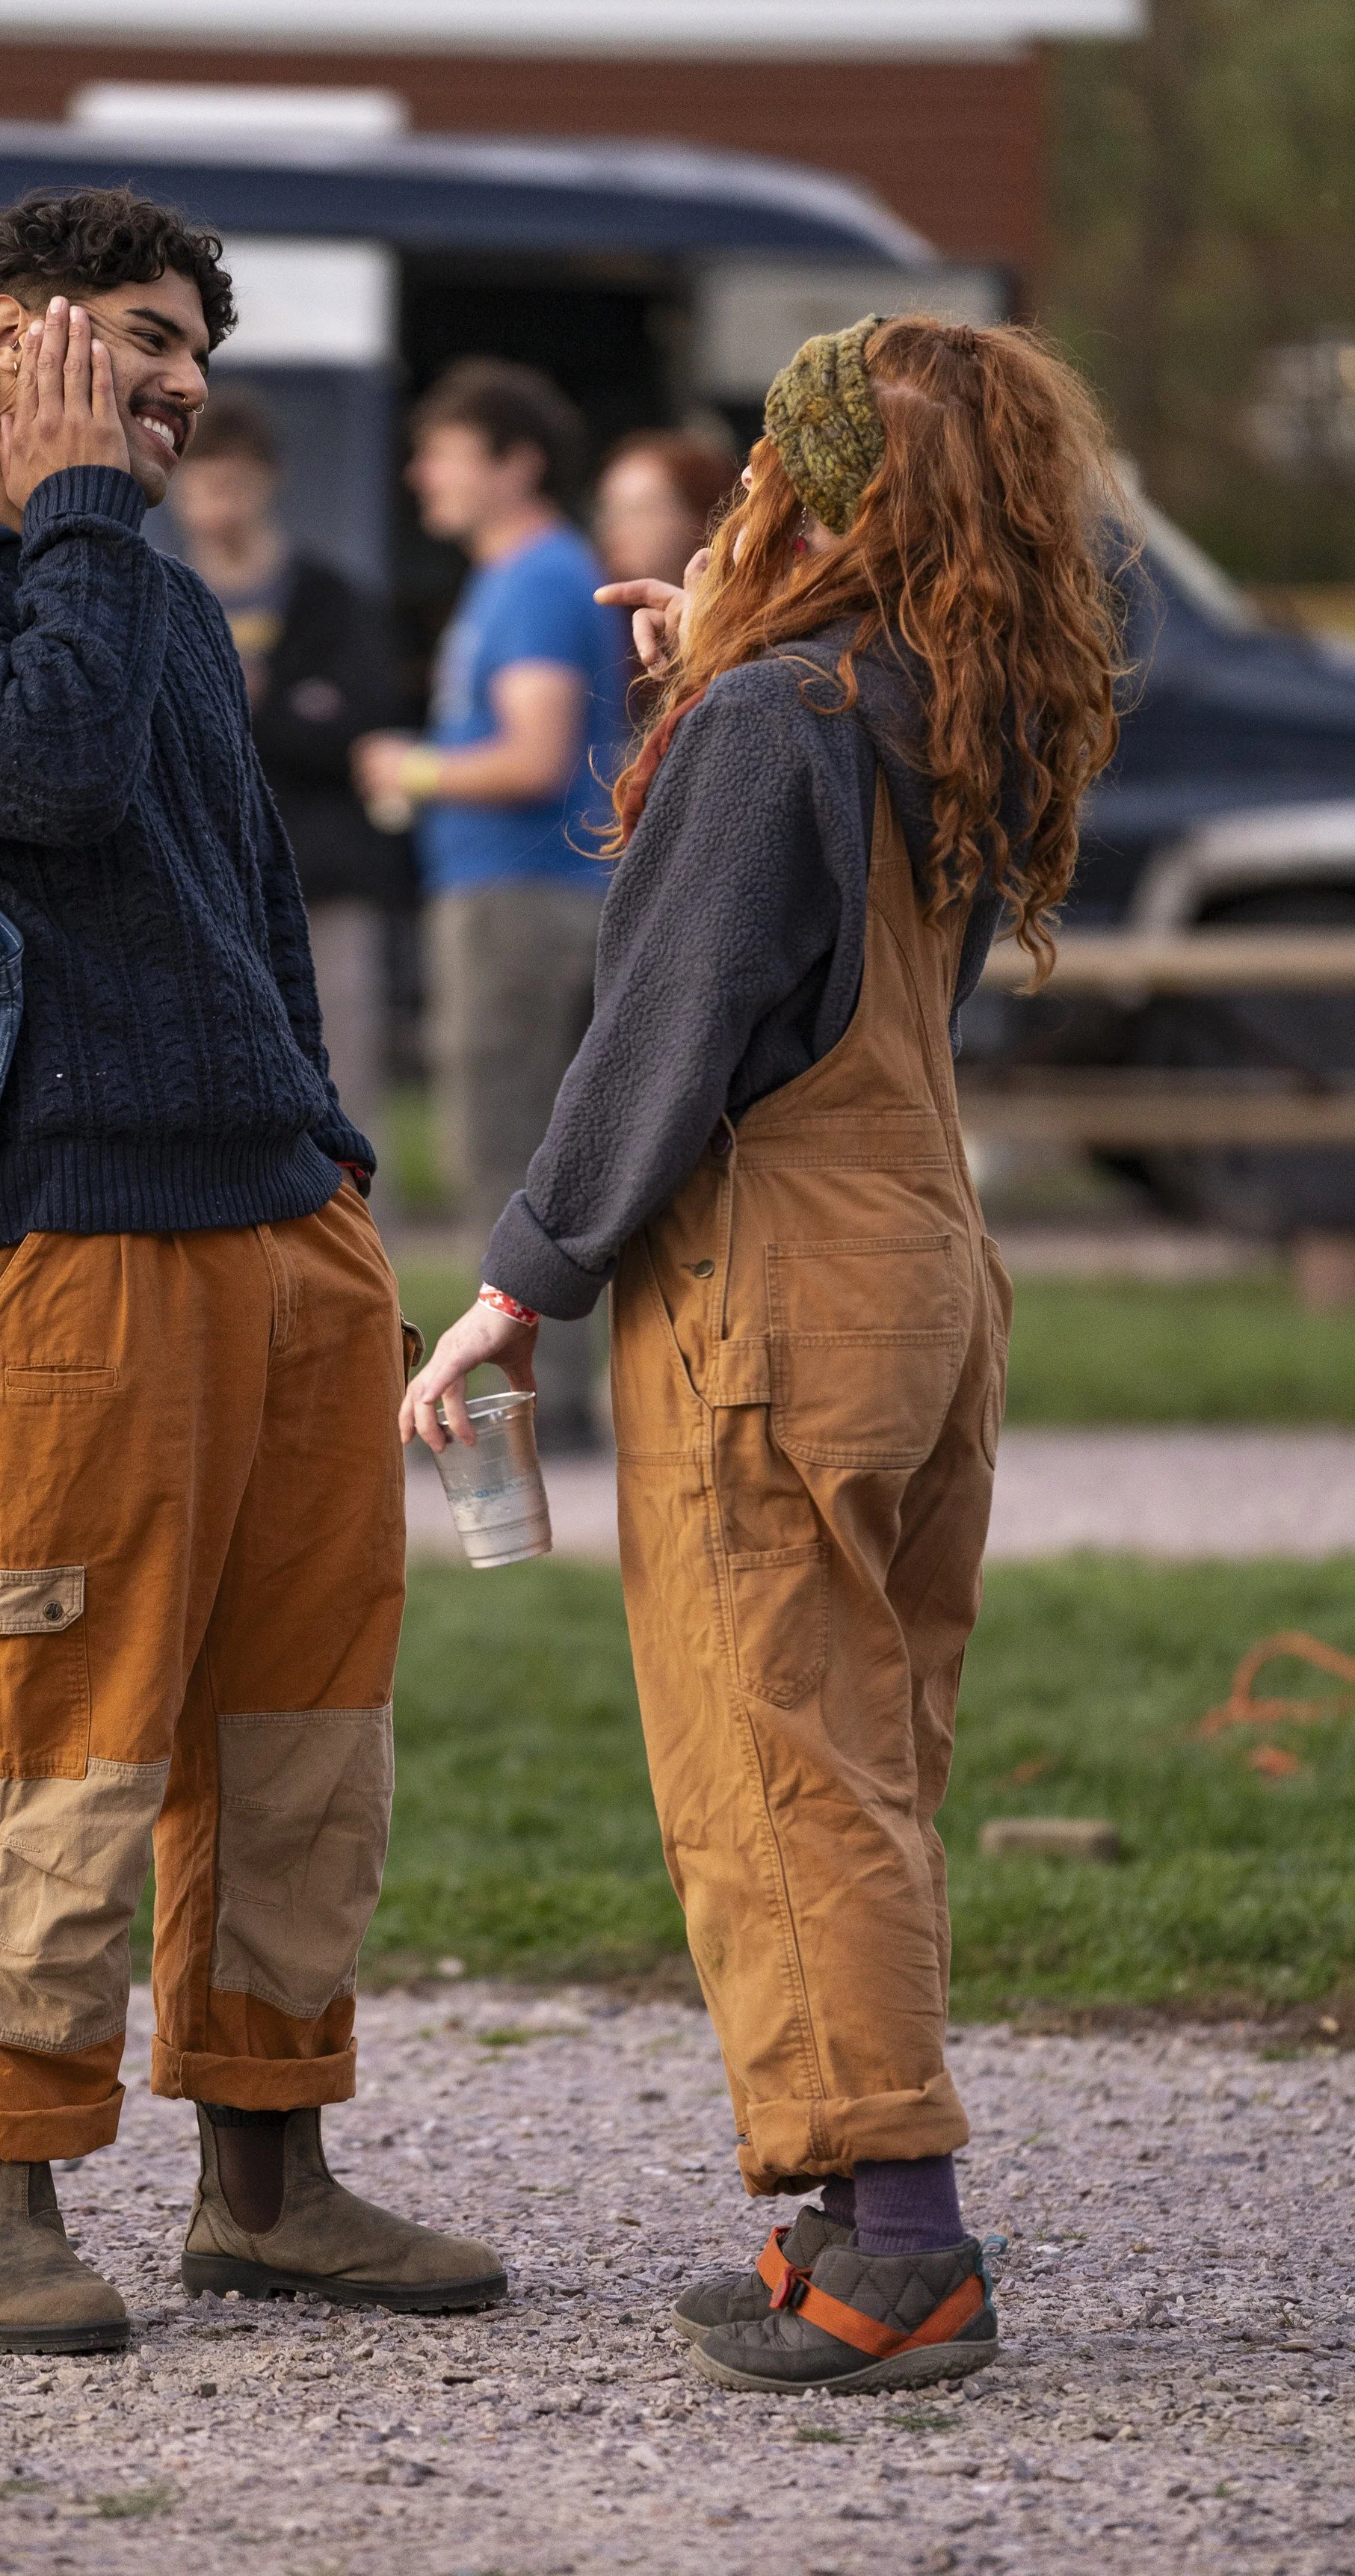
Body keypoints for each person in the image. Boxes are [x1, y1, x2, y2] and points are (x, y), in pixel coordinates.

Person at [0, 186, 504, 2354]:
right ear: (20, 332)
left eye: (198, 346)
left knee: (302, 1730)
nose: (186, 381)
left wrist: (333, 1162)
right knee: (57, 1729)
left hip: (283, 1224)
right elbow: (45, 770)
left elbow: (250, 898)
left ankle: (267, 2172)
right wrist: (86, 507)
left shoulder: (151, 593)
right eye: (149, 337)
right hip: (69, 1239)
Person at [404, 317, 1123, 2392]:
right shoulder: (937, 695)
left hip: (772, 1285)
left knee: (773, 1757)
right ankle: (846, 2217)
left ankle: (904, 2248)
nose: (724, 504)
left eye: (753, 482)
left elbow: (668, 1033)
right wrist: (721, 669)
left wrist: (514, 1280)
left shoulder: (772, 719)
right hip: (924, 1269)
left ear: (811, 496)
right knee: (866, 1745)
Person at [355, 360, 629, 1452]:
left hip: (520, 900)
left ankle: (538, 1411)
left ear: (515, 465)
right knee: (521, 1152)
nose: (424, 474)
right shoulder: (526, 576)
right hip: (517, 894)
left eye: (449, 453)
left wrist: (409, 769)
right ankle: (547, 1399)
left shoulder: (535, 579)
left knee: (509, 1154)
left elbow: (534, 753)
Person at [169, 386, 407, 1149]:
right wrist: (280, 704)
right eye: (204, 484)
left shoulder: (329, 599)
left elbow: (367, 730)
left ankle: (364, 1257)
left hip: (322, 883)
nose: (219, 504)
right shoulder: (163, 597)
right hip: (199, 887)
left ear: (267, 480)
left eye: (233, 483)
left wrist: (252, 705)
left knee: (344, 1084)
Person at [593, 428, 742, 593]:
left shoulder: (744, 605)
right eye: (610, 511)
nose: (616, 528)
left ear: (702, 516)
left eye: (640, 510)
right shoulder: (597, 599)